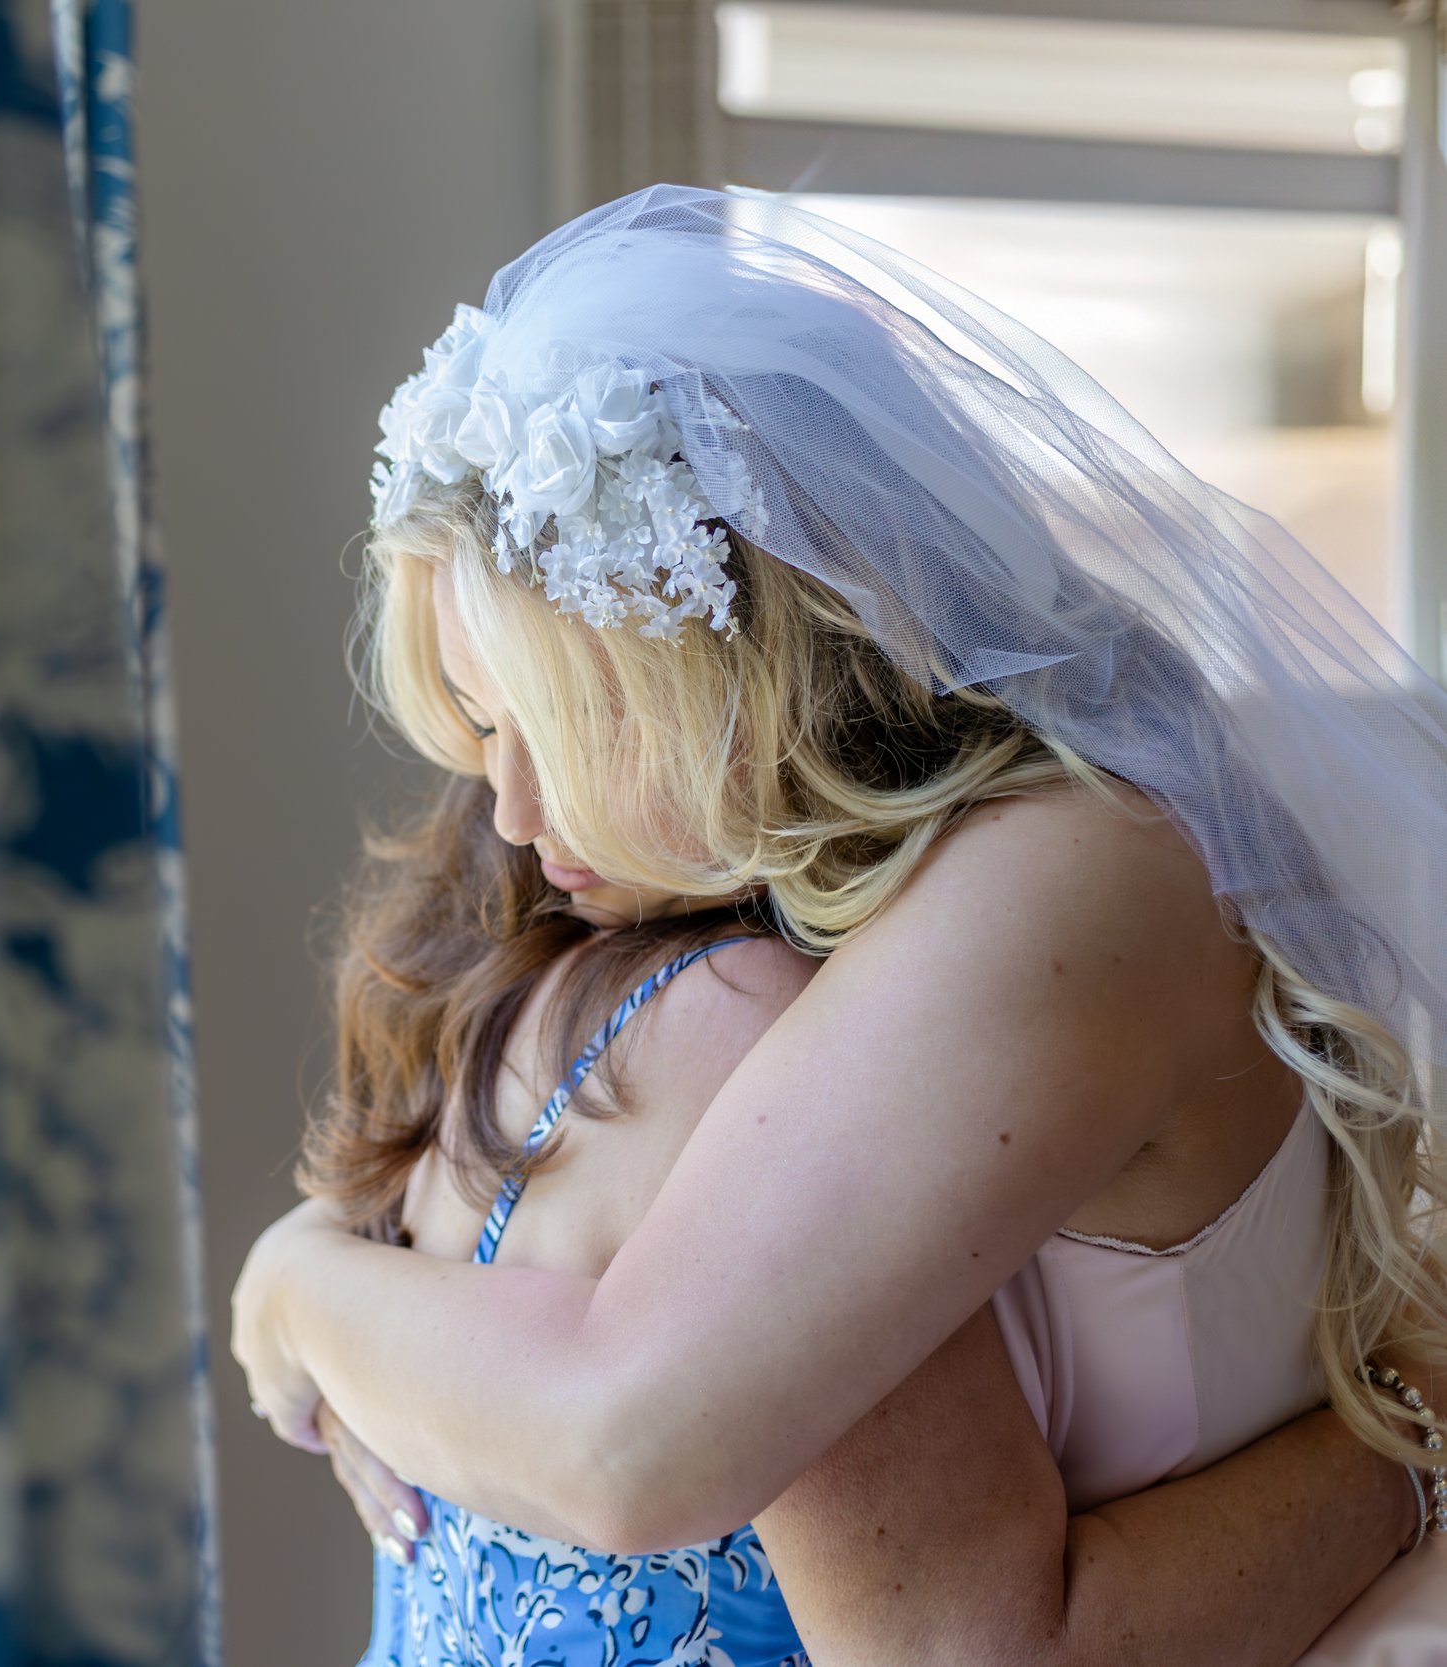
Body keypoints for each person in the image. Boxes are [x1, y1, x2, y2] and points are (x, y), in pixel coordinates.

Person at [229, 184, 1447, 1662]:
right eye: (484, 733)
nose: (512, 819)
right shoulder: (726, 939)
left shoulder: (1070, 875)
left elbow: (638, 1446)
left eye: (570, 730)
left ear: (749, 669)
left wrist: (298, 1292)